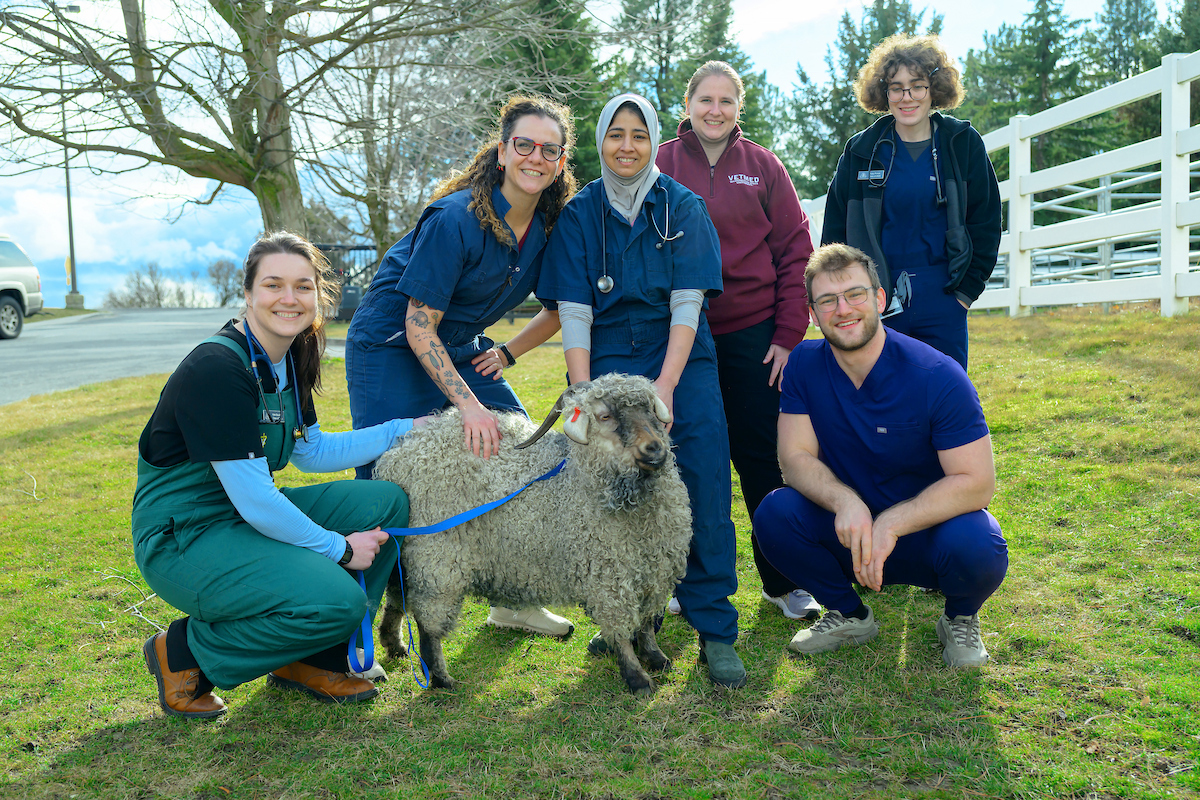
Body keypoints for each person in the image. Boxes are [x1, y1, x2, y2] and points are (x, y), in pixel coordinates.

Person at [133, 232, 422, 719]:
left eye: (303, 286)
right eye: (273, 285)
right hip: (185, 535)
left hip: (240, 515)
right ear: (247, 293)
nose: (289, 299)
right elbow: (258, 503)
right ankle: (184, 653)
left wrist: (408, 428)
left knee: (385, 501)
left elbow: (310, 450)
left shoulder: (289, 354)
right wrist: (342, 549)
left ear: (318, 295)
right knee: (337, 600)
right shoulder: (217, 368)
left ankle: (314, 658)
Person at [346, 94, 578, 638]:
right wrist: (468, 405)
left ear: (562, 162)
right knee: (385, 477)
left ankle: (513, 599)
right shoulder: (456, 218)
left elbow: (559, 308)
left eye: (549, 150)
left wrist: (508, 353)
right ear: (502, 151)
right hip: (390, 341)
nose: (535, 158)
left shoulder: (550, 226)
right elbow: (417, 324)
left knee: (526, 451)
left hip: (462, 343)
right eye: (524, 145)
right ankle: (360, 624)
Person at [538, 92, 746, 688]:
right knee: (609, 490)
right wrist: (583, 394)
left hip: (678, 353)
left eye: (638, 135)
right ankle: (627, 620)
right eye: (615, 135)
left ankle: (715, 629)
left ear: (654, 141)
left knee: (700, 482)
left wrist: (669, 387)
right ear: (600, 141)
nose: (626, 147)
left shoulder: (682, 206)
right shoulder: (579, 215)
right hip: (604, 355)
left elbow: (688, 304)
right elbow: (574, 312)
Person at [753, 243, 1008, 667]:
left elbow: (978, 482)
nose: (843, 309)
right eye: (828, 300)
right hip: (847, 533)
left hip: (925, 535)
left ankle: (959, 618)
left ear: (879, 299)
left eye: (855, 294)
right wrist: (845, 501)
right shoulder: (803, 364)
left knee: (980, 544)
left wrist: (892, 522)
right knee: (774, 515)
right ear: (813, 313)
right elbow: (794, 457)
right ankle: (849, 614)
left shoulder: (938, 375)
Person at [657, 60, 820, 622]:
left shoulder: (764, 167)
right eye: (706, 99)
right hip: (680, 335)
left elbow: (796, 250)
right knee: (684, 462)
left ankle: (783, 581)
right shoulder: (660, 164)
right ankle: (683, 581)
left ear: (739, 110)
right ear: (688, 105)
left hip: (752, 334)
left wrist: (787, 334)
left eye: (727, 101)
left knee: (762, 458)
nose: (715, 110)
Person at [821, 34, 1001, 370]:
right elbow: (835, 231)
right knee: (885, 395)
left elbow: (987, 221)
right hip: (878, 297)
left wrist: (965, 293)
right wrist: (846, 296)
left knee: (946, 395)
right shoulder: (861, 151)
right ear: (883, 92)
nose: (907, 97)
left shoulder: (961, 144)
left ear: (934, 89)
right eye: (896, 87)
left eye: (917, 86)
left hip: (945, 294)